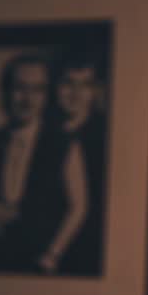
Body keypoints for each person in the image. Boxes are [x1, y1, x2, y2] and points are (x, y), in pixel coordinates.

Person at [0, 52, 87, 274]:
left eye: (37, 90)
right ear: (4, 93)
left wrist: (52, 255)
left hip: (44, 264)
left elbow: (78, 207)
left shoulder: (64, 143)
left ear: (45, 95)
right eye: (20, 88)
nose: (27, 99)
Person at [54, 53, 107, 276]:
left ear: (94, 91)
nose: (75, 93)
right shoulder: (47, 134)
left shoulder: (105, 138)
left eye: (85, 84)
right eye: (68, 83)